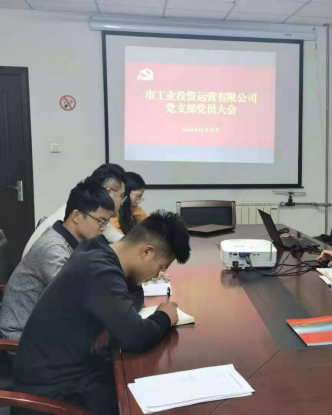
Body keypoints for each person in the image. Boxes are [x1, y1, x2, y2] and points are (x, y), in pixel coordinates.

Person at [13, 211, 191, 414]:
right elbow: (136, 336)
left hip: (72, 373)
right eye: (161, 267)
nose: (158, 275)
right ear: (147, 252)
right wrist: (165, 316)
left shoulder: (96, 249)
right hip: (52, 396)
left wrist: (114, 322)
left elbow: (133, 292)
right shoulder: (101, 270)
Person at [0, 181, 115, 340]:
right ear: (76, 216)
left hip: (45, 326)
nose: (103, 228)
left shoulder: (71, 240)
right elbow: (77, 298)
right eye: (101, 221)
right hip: (22, 335)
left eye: (106, 222)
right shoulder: (53, 248)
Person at [22, 163, 127, 257]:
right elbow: (126, 246)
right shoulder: (83, 214)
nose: (122, 202)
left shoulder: (88, 211)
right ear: (108, 192)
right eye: (121, 196)